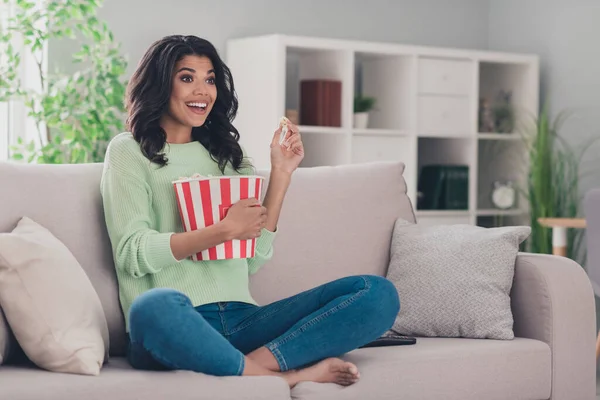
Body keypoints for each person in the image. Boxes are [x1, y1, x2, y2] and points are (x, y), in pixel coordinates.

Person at [100, 34, 400, 388]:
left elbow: (253, 257)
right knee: (153, 306)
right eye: (187, 78)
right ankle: (289, 377)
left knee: (376, 293)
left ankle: (246, 368)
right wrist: (223, 230)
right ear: (159, 84)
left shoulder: (229, 156)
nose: (202, 91)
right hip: (179, 323)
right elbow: (131, 253)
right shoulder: (129, 151)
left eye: (209, 79)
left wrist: (281, 175)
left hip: (244, 320)